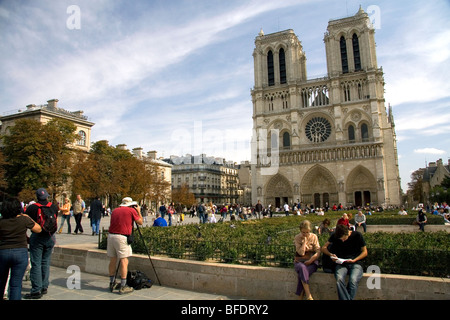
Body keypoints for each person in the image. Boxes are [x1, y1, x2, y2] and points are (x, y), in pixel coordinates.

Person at [0, 197, 41, 300]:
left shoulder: (1, 222)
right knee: (15, 285)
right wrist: (27, 217)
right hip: (20, 253)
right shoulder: (23, 219)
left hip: (3, 252)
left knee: (1, 282)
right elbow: (38, 229)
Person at [24, 188, 59, 299]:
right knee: (46, 262)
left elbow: (26, 222)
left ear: (37, 197)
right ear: (47, 196)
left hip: (37, 236)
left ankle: (36, 289)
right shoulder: (53, 207)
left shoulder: (32, 208)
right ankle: (44, 286)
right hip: (50, 236)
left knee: (36, 263)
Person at [321, 224, 368, 300]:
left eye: (344, 238)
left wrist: (355, 260)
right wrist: (331, 255)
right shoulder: (335, 236)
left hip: (356, 262)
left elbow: (365, 252)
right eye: (340, 239)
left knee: (353, 280)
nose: (342, 240)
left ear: (348, 233)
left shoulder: (357, 235)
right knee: (339, 280)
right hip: (341, 263)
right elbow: (323, 248)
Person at [107, 197, 143, 294]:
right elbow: (140, 222)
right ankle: (123, 285)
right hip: (121, 237)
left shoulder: (115, 210)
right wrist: (138, 211)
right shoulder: (131, 210)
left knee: (113, 260)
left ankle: (112, 282)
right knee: (124, 260)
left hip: (111, 236)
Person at [293, 220, 320, 300]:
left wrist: (311, 260)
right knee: (302, 268)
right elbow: (301, 253)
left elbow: (318, 250)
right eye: (303, 232)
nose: (305, 234)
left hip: (311, 261)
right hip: (300, 261)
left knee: (302, 273)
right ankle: (309, 295)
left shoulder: (314, 237)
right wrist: (304, 243)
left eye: (307, 232)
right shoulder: (297, 237)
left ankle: (300, 298)